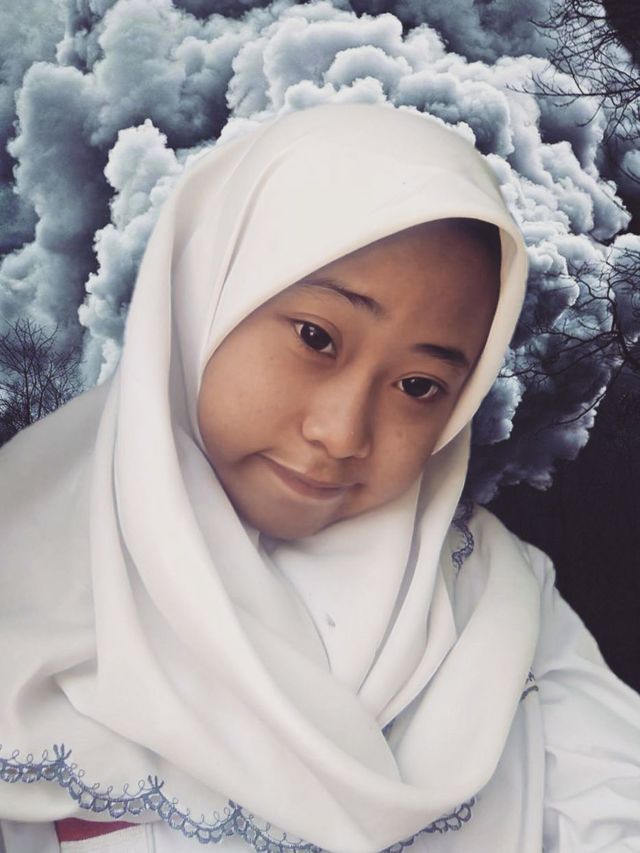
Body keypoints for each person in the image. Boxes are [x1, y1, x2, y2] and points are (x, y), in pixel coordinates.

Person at [0, 104, 638, 853]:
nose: (341, 433)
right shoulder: (22, 573)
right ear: (205, 294)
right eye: (316, 337)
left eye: (420, 386)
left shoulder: (500, 599)